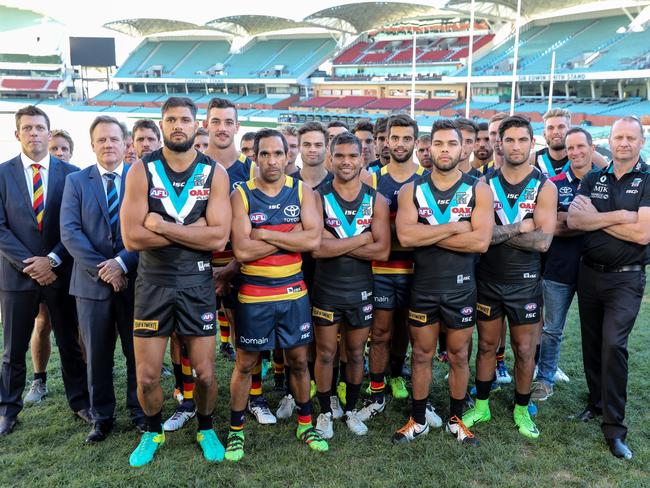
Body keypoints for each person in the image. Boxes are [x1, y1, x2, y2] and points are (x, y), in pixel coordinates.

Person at [121, 96, 231, 466]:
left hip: (196, 283)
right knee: (148, 376)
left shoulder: (214, 172)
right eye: (171, 120)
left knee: (204, 373)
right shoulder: (141, 170)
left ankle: (205, 427)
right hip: (152, 283)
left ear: (196, 124)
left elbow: (218, 240)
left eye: (185, 119)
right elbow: (132, 238)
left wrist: (163, 225)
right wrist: (192, 230)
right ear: (162, 124)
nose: (178, 125)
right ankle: (152, 431)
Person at [227, 128, 328, 461]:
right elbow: (241, 250)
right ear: (254, 157)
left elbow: (313, 242)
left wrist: (265, 232)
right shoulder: (240, 195)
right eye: (265, 154)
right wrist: (290, 233)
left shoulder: (303, 192)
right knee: (245, 364)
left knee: (299, 361)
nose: (272, 160)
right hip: (254, 295)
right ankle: (236, 431)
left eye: (278, 154)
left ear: (289, 156)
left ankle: (304, 422)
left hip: (293, 292)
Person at [393, 119, 493, 444]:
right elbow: (406, 236)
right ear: (429, 148)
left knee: (459, 355)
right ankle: (418, 419)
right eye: (439, 144)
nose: (445, 150)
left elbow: (480, 242)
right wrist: (454, 227)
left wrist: (429, 234)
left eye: (452, 144)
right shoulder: (412, 189)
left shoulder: (478, 188)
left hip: (462, 287)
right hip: (423, 286)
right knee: (421, 355)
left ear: (462, 148)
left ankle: (455, 420)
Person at [464, 115, 557, 440]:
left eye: (522, 140)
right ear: (499, 144)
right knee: (487, 345)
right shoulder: (483, 184)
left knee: (524, 349)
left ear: (532, 144)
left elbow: (543, 242)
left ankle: (521, 408)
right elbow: (478, 235)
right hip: (488, 279)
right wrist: (518, 227)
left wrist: (494, 233)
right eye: (510, 140)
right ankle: (482, 404)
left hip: (526, 282)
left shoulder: (545, 186)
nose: (515, 146)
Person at [0, 105, 90, 436]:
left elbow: (78, 226)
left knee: (69, 341)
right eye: (28, 128)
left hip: (61, 273)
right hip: (16, 276)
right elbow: (1, 229)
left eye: (40, 128)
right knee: (13, 348)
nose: (34, 133)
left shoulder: (73, 174)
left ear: (48, 133)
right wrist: (33, 265)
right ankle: (8, 409)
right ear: (17, 134)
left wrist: (51, 260)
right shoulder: (2, 173)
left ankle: (81, 401)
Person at [567, 116, 650, 460]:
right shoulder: (593, 177)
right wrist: (622, 216)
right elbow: (575, 220)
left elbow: (643, 234)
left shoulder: (648, 179)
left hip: (626, 278)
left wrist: (598, 219)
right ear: (610, 141)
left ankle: (615, 429)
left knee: (614, 344)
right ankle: (596, 403)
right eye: (619, 137)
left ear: (641, 142)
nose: (624, 143)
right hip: (589, 274)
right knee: (593, 343)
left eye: (631, 138)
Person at [60, 115, 143, 442]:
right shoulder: (77, 182)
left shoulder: (140, 181)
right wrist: (105, 270)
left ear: (126, 144)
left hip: (133, 281)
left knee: (136, 353)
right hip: (91, 285)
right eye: (101, 140)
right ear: (93, 145)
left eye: (114, 139)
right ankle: (102, 416)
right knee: (96, 354)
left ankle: (140, 411)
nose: (108, 145)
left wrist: (122, 263)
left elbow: (147, 228)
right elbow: (70, 232)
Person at [312, 132, 390, 439]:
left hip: (361, 288)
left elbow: (382, 250)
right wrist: (361, 238)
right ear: (330, 159)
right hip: (327, 288)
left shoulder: (377, 200)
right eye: (340, 156)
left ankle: (353, 409)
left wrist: (337, 243)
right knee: (326, 353)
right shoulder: (316, 196)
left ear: (363, 158)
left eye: (352, 156)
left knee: (356, 353)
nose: (346, 162)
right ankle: (324, 412)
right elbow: (316, 248)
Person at [360, 114, 430, 421]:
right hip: (381, 269)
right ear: (385, 141)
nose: (399, 144)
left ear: (416, 142)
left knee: (413, 333)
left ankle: (401, 375)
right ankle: (376, 392)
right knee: (381, 332)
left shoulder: (428, 177)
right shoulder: (371, 178)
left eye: (406, 138)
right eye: (394, 138)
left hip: (419, 271)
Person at [531, 128, 595, 402]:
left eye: (581, 146)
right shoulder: (553, 183)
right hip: (559, 267)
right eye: (570, 148)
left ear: (593, 149)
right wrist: (589, 221)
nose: (576, 152)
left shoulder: (604, 181)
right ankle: (545, 379)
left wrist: (569, 219)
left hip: (596, 268)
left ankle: (598, 388)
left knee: (596, 331)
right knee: (551, 328)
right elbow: (550, 227)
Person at [25, 129, 77, 404]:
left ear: (71, 151)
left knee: (74, 329)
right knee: (42, 322)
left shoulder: (75, 176)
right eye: (54, 148)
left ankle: (82, 378)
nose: (58, 152)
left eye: (63, 148)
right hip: (34, 264)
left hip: (67, 262)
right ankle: (39, 378)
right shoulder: (31, 177)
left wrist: (56, 258)